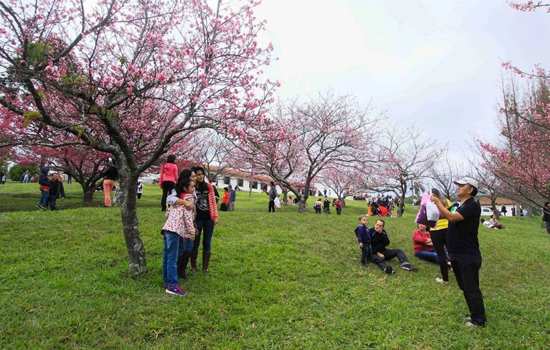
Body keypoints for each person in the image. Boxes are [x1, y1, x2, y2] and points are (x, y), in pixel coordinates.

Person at [431, 177, 486, 327]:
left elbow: (452, 217)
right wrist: (437, 203)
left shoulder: (472, 205)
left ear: (470, 189)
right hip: (455, 253)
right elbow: (444, 214)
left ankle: (479, 320)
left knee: (471, 288)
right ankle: (474, 314)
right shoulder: (457, 204)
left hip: (467, 254)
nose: (458, 187)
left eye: (462, 185)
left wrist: (437, 202)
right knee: (464, 287)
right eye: (458, 185)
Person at [162, 169, 195, 296]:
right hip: (175, 230)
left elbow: (168, 212)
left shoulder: (178, 197)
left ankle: (167, 281)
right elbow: (187, 218)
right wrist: (192, 233)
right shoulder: (188, 198)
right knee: (173, 258)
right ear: (185, 187)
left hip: (167, 229)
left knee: (168, 256)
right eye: (191, 186)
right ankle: (172, 285)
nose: (193, 188)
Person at [430, 190, 453, 285]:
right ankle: (458, 272)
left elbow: (427, 217)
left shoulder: (430, 203)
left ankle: (445, 279)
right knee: (452, 251)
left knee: (441, 254)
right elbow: (452, 213)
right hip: (448, 228)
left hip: (435, 230)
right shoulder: (447, 201)